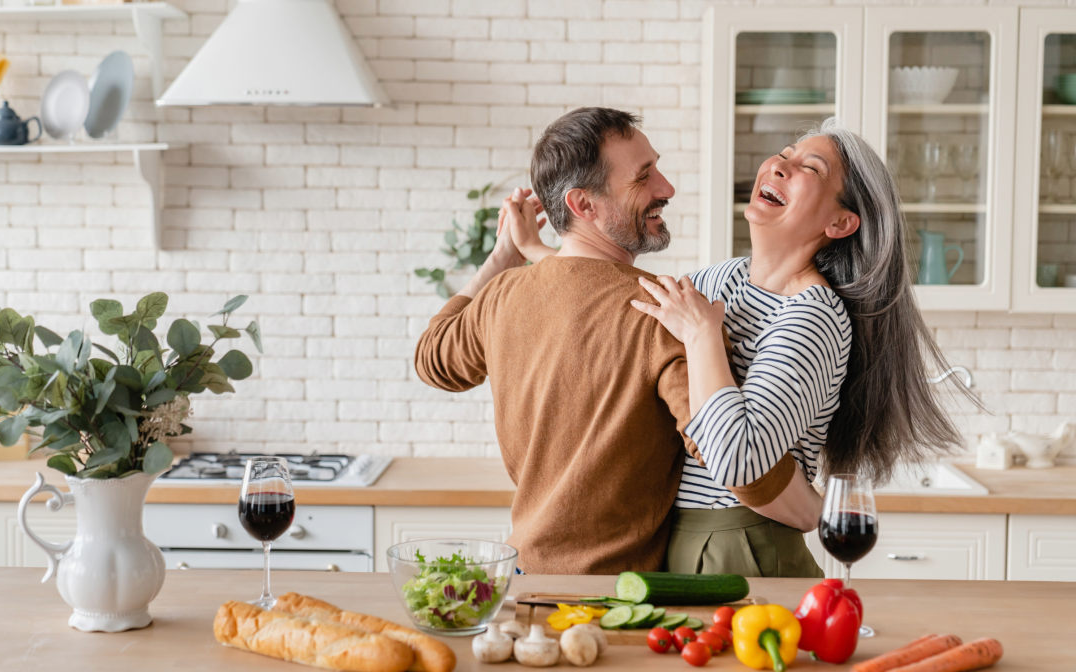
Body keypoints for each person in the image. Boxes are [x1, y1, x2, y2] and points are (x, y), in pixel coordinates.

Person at [508, 116, 968, 577]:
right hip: (677, 540)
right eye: (784, 154)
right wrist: (536, 250)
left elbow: (738, 460)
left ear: (840, 221)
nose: (780, 166)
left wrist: (704, 336)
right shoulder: (721, 279)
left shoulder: (813, 316)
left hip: (745, 544)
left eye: (811, 168)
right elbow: (622, 298)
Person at [415, 107, 773, 575]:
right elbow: (733, 459)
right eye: (644, 178)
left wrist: (501, 257)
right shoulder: (663, 312)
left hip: (523, 580)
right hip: (614, 598)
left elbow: (432, 359)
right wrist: (809, 506)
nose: (666, 188)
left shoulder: (502, 295)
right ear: (583, 206)